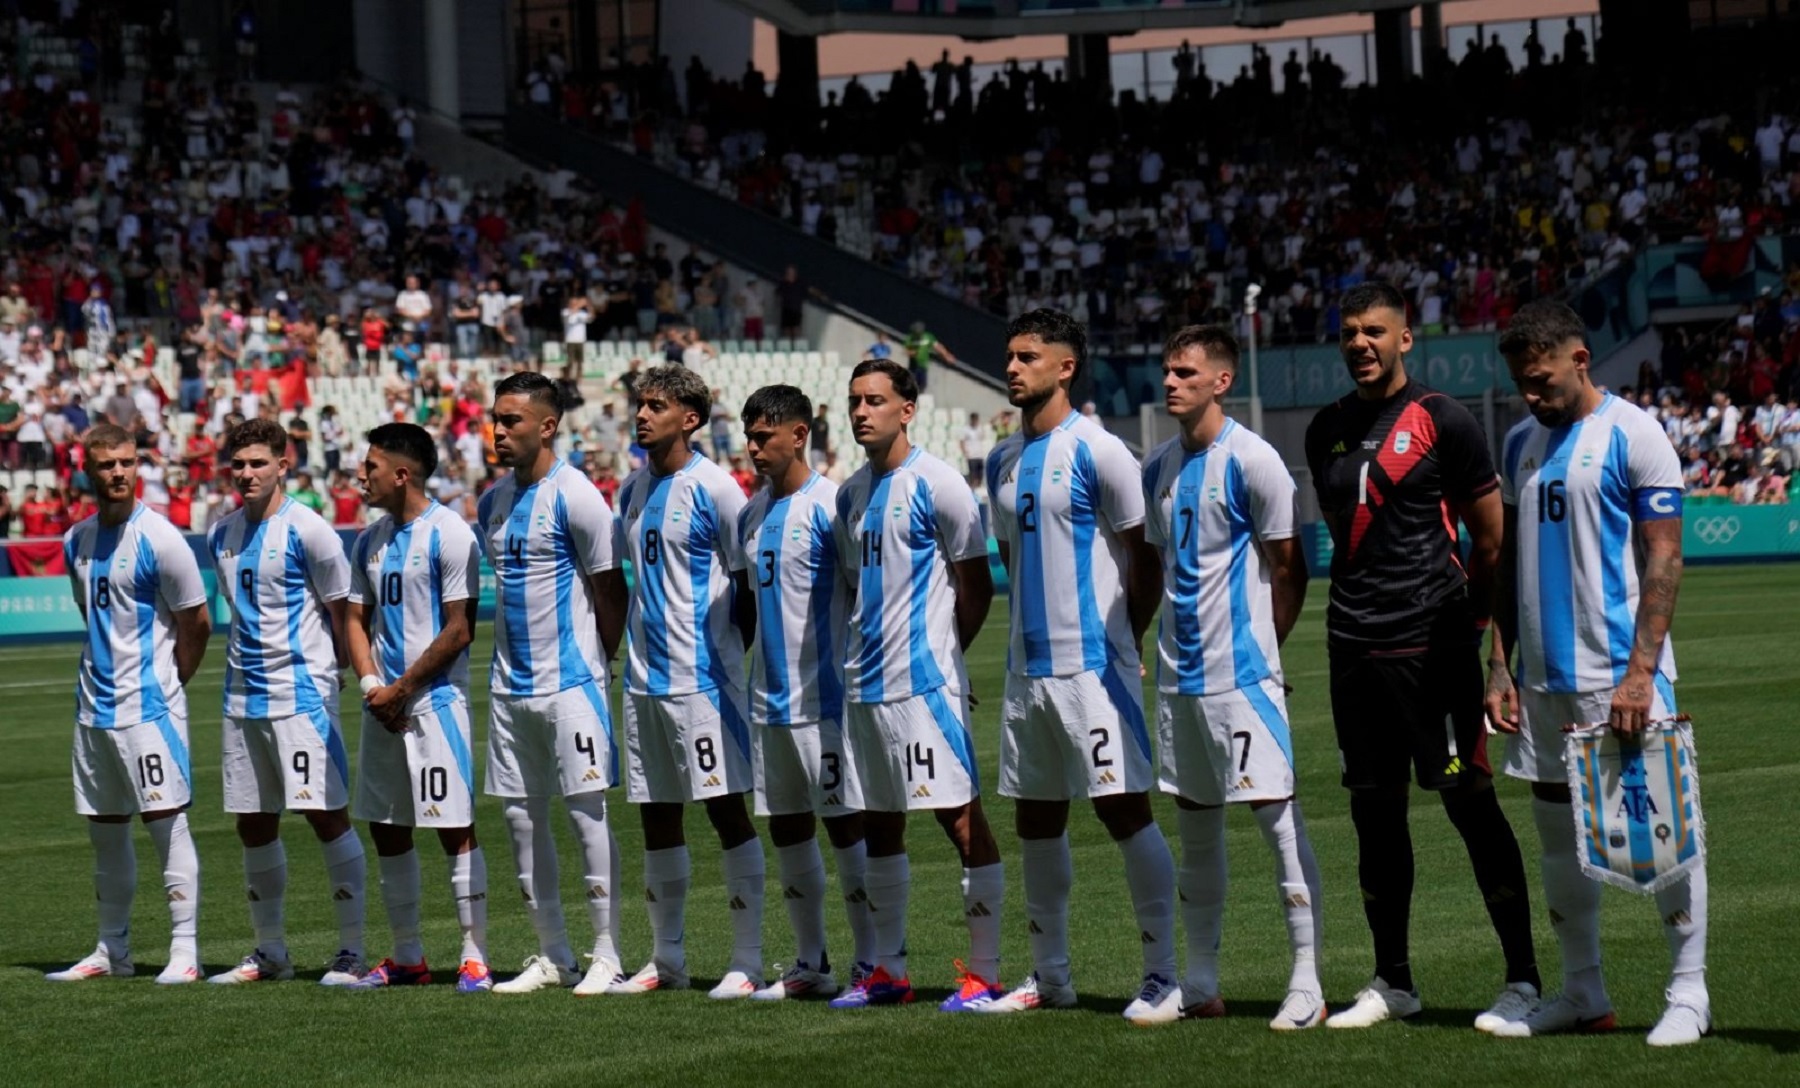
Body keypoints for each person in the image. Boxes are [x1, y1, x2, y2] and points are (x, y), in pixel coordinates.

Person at [1302, 282, 1540, 1031]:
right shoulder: (1324, 429)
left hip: (1432, 652)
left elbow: (1492, 543)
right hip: (1352, 650)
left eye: (1375, 331)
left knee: (1470, 804)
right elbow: (1348, 538)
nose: (1360, 344)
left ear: (1406, 339)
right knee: (1373, 815)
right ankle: (1392, 979)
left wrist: (1488, 651)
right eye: (1349, 333)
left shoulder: (1444, 420)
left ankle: (1525, 979)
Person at [1486, 300, 1709, 1046]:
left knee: (1661, 833)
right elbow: (1507, 564)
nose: (1530, 393)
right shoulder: (1521, 440)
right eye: (1521, 380)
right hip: (1543, 681)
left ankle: (1688, 993)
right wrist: (1499, 664)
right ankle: (1584, 991)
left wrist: (1641, 672)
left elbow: (1665, 556)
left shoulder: (1635, 435)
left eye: (1541, 378)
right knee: (1557, 840)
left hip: (1618, 676)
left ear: (1580, 360)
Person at [980, 311, 1178, 1021]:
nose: (1012, 368)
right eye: (1009, 355)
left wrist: (1126, 637)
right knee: (1036, 819)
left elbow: (1144, 556)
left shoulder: (1101, 450)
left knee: (1124, 810)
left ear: (1066, 368)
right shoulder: (1000, 459)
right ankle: (1049, 976)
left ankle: (1163, 976)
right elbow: (1009, 554)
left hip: (1095, 667)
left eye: (1028, 356)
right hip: (1025, 671)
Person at [1138, 325, 1325, 1028]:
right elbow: (1160, 567)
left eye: (1185, 372)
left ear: (1220, 381)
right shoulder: (1157, 465)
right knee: (1196, 830)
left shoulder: (1255, 461)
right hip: (1180, 680)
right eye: (1166, 370)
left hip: (1242, 678)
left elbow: (1289, 567)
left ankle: (1305, 981)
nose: (1170, 383)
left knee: (1276, 820)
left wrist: (1264, 656)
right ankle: (1202, 979)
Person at [826, 358, 1003, 1011]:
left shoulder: (940, 482)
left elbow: (974, 583)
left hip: (923, 685)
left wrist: (945, 660)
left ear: (908, 408)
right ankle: (889, 972)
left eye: (874, 400)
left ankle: (983, 973)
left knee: (959, 818)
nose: (861, 412)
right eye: (854, 401)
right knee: (880, 825)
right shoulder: (848, 495)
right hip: (865, 688)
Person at [604, 365, 767, 999]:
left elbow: (746, 582)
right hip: (644, 680)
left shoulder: (718, 490)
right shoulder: (631, 490)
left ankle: (747, 959)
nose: (641, 416)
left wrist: (725, 657)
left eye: (655, 407)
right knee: (656, 815)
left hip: (704, 681)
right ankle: (665, 958)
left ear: (690, 418)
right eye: (639, 405)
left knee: (726, 811)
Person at [476, 372, 628, 996]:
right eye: (496, 418)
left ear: (547, 425)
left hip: (572, 684)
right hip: (509, 688)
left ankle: (607, 953)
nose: (499, 430)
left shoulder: (579, 496)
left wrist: (598, 662)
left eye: (511, 420)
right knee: (520, 821)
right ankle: (551, 954)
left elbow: (610, 593)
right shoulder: (491, 502)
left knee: (586, 814)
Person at [206, 417, 369, 986]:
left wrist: (336, 674)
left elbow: (343, 608)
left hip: (300, 693)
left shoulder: (310, 529)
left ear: (283, 465)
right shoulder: (220, 534)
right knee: (253, 823)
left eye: (258, 463)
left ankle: (352, 950)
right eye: (240, 464)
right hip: (241, 696)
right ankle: (270, 951)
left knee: (325, 815)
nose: (247, 473)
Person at [46, 426, 211, 985]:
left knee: (168, 826)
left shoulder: (161, 539)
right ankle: (111, 950)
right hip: (93, 711)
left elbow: (197, 622)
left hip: (149, 712)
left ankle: (184, 951)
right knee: (106, 832)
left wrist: (170, 682)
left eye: (127, 462)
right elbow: (89, 615)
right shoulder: (76, 540)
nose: (119, 473)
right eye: (107, 465)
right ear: (87, 472)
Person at [736, 385, 876, 1000]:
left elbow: (863, 594)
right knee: (788, 830)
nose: (753, 448)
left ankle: (872, 963)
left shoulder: (832, 506)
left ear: (799, 434)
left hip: (827, 702)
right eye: (749, 436)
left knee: (846, 828)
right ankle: (810, 964)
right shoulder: (750, 513)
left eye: (764, 436)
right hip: (767, 702)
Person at [342, 424, 491, 993]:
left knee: (453, 826)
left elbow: (460, 630)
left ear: (402, 474)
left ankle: (473, 957)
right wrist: (372, 685)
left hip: (436, 704)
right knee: (387, 826)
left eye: (372, 466)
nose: (362, 476)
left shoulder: (450, 534)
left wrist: (400, 689)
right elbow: (355, 619)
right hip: (384, 704)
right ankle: (408, 957)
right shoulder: (369, 540)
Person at [902, 321, 956, 393]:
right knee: (910, 385)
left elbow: (937, 347)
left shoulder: (928, 337)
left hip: (923, 365)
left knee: (922, 385)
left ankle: (920, 398)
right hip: (913, 366)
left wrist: (947, 355)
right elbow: (906, 351)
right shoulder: (910, 338)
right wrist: (913, 353)